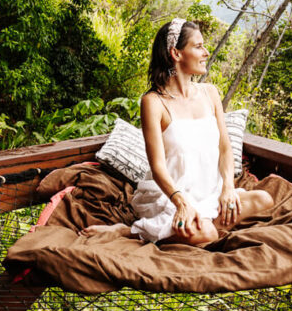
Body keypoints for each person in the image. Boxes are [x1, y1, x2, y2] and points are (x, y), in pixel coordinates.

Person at [82, 18, 273, 247]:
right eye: (198, 46)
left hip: (209, 191)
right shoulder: (153, 102)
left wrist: (228, 189)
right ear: (176, 53)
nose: (206, 52)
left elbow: (224, 148)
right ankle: (130, 231)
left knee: (264, 200)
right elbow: (158, 167)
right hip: (171, 196)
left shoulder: (210, 93)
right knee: (207, 235)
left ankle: (196, 224)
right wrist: (181, 202)